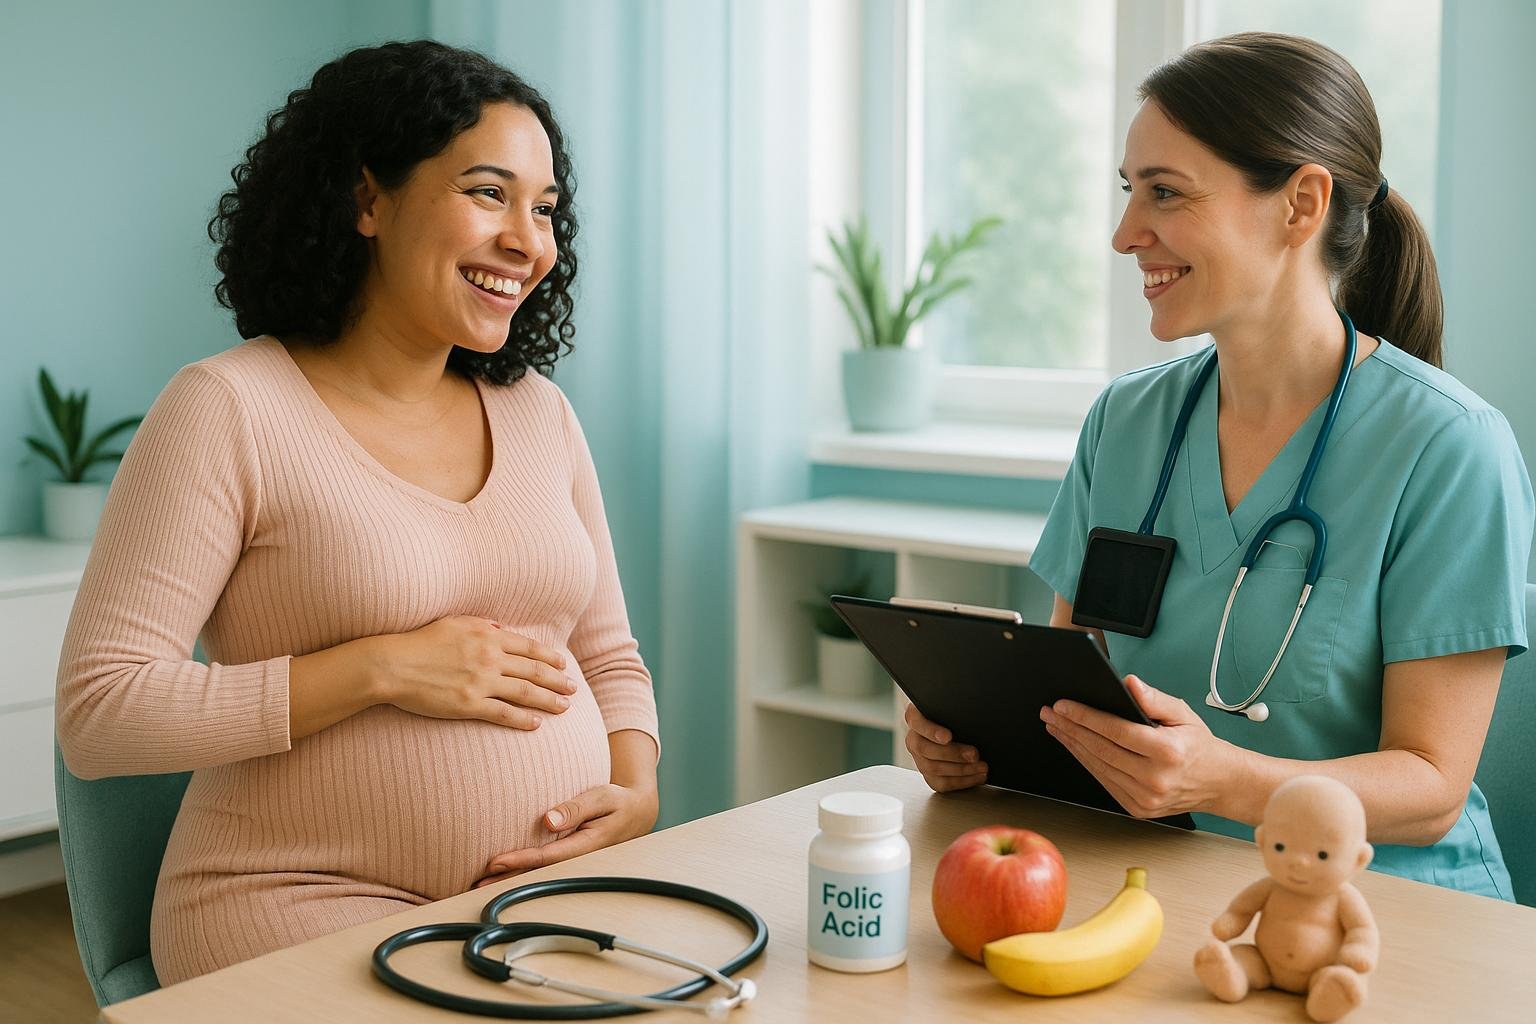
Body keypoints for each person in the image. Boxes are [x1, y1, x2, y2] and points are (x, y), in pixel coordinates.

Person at [55, 41, 661, 984]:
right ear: (367, 199)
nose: (528, 240)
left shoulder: (539, 412)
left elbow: (607, 655)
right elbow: (101, 713)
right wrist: (381, 669)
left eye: (544, 210)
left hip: (537, 902)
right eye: (488, 193)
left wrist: (636, 787)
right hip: (291, 898)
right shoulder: (229, 409)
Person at [904, 32, 1533, 899]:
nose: (1126, 234)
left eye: (1165, 193)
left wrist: (1221, 779)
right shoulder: (1125, 421)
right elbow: (1070, 692)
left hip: (1386, 911)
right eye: (1130, 192)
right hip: (1160, 886)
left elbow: (1432, 787)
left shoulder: (1450, 446)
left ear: (1300, 205)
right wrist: (983, 740)